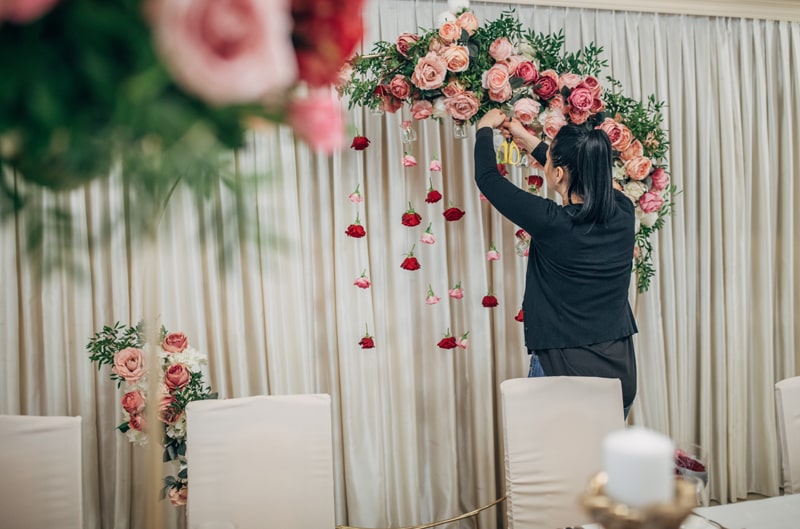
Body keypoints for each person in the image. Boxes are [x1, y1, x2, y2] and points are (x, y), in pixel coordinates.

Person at [474, 108, 638, 416]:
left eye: (549, 159)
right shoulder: (623, 209)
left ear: (559, 173)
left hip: (565, 380)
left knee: (557, 467)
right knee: (601, 466)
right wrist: (524, 138)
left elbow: (488, 179)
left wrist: (484, 128)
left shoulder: (553, 223)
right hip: (619, 381)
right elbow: (581, 168)